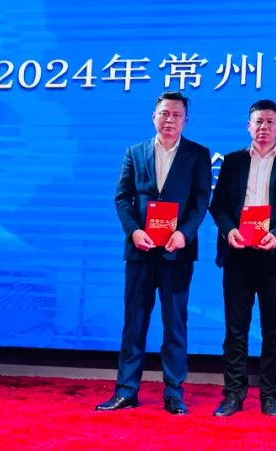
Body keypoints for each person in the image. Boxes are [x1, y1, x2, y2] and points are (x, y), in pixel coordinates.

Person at [97, 91, 212, 415]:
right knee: (134, 322)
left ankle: (174, 393)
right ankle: (126, 391)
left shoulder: (198, 154)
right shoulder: (135, 152)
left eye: (176, 115)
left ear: (186, 120)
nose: (169, 120)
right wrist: (134, 231)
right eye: (164, 113)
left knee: (175, 324)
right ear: (153, 116)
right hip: (141, 252)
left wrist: (184, 233)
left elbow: (200, 201)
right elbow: (122, 198)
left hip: (177, 252)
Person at [208, 99, 276, 417]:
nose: (263, 127)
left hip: (275, 254)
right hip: (238, 253)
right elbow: (218, 205)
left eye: (270, 122)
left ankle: (269, 395)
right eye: (258, 122)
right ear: (248, 126)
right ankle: (233, 394)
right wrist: (229, 230)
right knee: (235, 329)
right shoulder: (233, 160)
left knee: (273, 329)